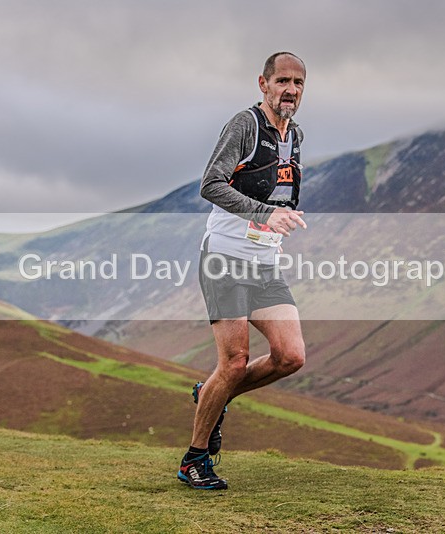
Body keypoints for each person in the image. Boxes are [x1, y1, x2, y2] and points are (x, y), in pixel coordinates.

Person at [177, 52, 308, 490]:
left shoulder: (296, 136)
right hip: (225, 260)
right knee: (233, 362)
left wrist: (284, 215)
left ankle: (211, 395)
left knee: (291, 356)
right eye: (283, 81)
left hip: (265, 263)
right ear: (263, 83)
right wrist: (264, 213)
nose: (290, 89)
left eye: (298, 83)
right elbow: (210, 185)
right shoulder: (245, 126)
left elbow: (277, 190)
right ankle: (194, 460)